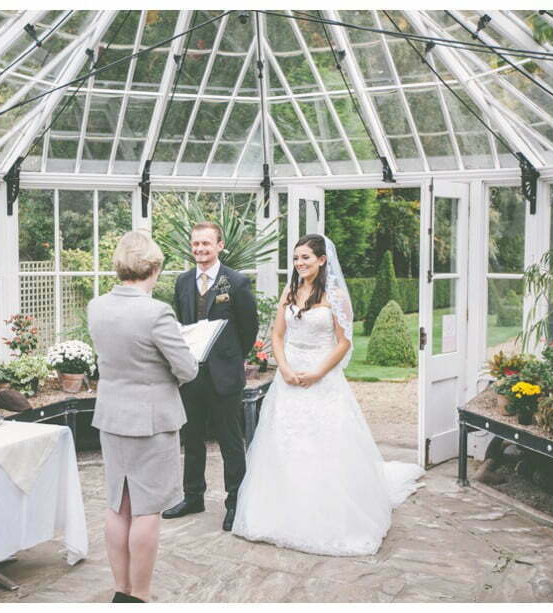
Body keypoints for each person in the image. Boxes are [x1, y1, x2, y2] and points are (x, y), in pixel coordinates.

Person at [232, 234, 424, 556]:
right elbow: (277, 335)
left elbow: (344, 342)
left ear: (322, 260)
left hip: (322, 379)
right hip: (289, 379)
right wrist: (285, 368)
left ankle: (328, 515)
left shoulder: (335, 296)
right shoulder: (289, 291)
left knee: (325, 444)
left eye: (306, 257)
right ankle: (280, 516)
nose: (299, 264)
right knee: (285, 443)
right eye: (296, 258)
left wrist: (319, 372)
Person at [88, 230, 199, 603]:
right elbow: (187, 369)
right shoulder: (156, 312)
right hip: (151, 422)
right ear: (154, 267)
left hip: (111, 417)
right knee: (147, 510)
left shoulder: (97, 306)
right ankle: (142, 596)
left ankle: (121, 591)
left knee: (118, 505)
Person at [162, 222, 258, 532]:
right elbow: (184, 323)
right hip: (191, 373)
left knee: (230, 441)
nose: (200, 249)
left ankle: (236, 503)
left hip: (224, 375)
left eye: (206, 244)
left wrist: (231, 358)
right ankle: (193, 497)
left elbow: (249, 329)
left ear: (219, 245)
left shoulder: (237, 282)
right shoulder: (183, 281)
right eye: (196, 244)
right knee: (191, 438)